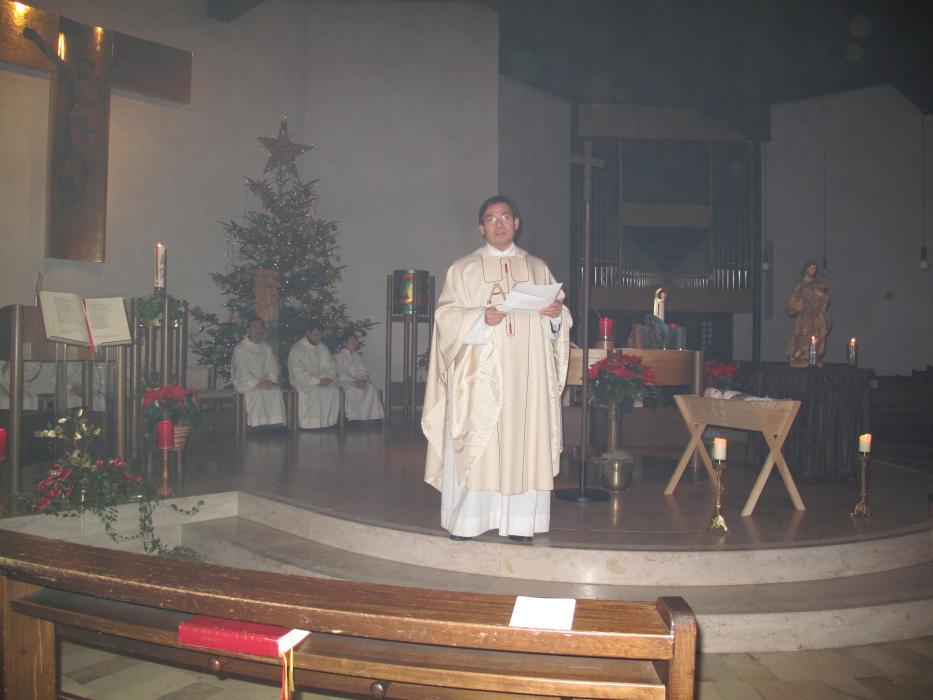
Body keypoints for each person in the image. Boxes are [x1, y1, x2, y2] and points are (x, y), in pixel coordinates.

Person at [421, 195, 572, 542]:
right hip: (480, 379)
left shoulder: (537, 268)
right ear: (481, 228)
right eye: (491, 218)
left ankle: (520, 522)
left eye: (505, 217)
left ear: (516, 223)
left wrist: (555, 316)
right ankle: (469, 520)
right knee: (480, 443)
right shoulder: (463, 269)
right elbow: (445, 317)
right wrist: (480, 317)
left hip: (528, 380)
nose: (499, 224)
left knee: (525, 442)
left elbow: (560, 322)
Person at [231, 319, 287, 429]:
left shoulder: (266, 348)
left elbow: (272, 366)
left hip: (265, 382)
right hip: (247, 383)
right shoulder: (240, 349)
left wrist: (271, 380)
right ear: (248, 330)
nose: (258, 330)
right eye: (255, 326)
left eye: (260, 327)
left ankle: (276, 424)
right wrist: (257, 382)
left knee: (276, 392)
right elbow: (241, 370)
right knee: (257, 394)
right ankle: (258, 425)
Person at [288, 321, 340, 429]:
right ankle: (311, 424)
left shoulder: (323, 348)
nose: (318, 337)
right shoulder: (297, 349)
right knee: (315, 391)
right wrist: (317, 381)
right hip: (304, 381)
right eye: (315, 334)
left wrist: (328, 378)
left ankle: (327, 422)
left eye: (320, 334)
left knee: (334, 390)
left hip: (322, 380)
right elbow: (298, 372)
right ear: (308, 333)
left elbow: (329, 366)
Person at [785, 260, 832, 367]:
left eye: (814, 268)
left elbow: (825, 300)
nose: (813, 270)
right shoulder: (800, 284)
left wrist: (820, 295)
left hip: (817, 315)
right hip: (806, 315)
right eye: (810, 268)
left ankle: (813, 358)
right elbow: (793, 300)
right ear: (805, 269)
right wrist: (798, 304)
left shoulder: (817, 284)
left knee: (818, 336)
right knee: (805, 336)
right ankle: (797, 356)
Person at [333, 331, 384, 422]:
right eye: (353, 342)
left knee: (370, 388)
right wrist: (354, 382)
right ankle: (354, 418)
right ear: (345, 343)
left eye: (356, 342)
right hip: (346, 384)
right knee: (355, 390)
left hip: (358, 382)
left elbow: (362, 370)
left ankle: (371, 417)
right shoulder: (338, 357)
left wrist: (362, 379)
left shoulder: (356, 356)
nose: (355, 344)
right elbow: (341, 374)